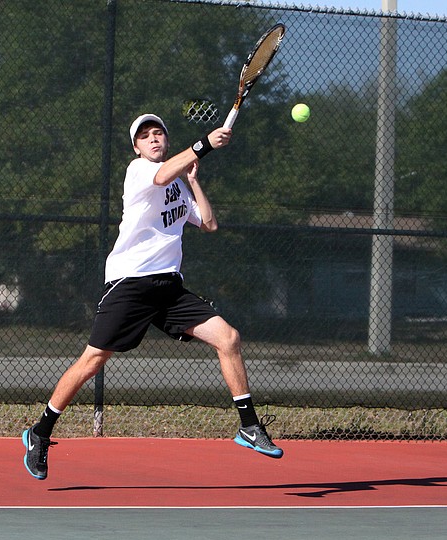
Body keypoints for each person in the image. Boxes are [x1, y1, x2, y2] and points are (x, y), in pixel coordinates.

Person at [22, 113, 282, 480]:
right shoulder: (139, 171)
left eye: (158, 133)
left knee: (229, 338)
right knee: (93, 361)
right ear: (137, 147)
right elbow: (162, 174)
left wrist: (193, 182)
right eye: (146, 136)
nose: (154, 139)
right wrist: (204, 144)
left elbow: (208, 223)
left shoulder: (176, 183)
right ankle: (40, 432)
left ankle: (248, 426)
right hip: (130, 283)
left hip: (169, 288)